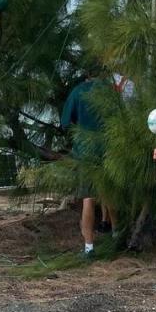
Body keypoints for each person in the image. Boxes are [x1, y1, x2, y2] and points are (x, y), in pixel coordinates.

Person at [60, 73, 115, 256]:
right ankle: (117, 237)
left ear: (86, 76)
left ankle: (89, 248)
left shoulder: (77, 92)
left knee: (88, 198)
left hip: (85, 151)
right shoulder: (110, 91)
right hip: (109, 149)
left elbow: (65, 123)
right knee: (111, 195)